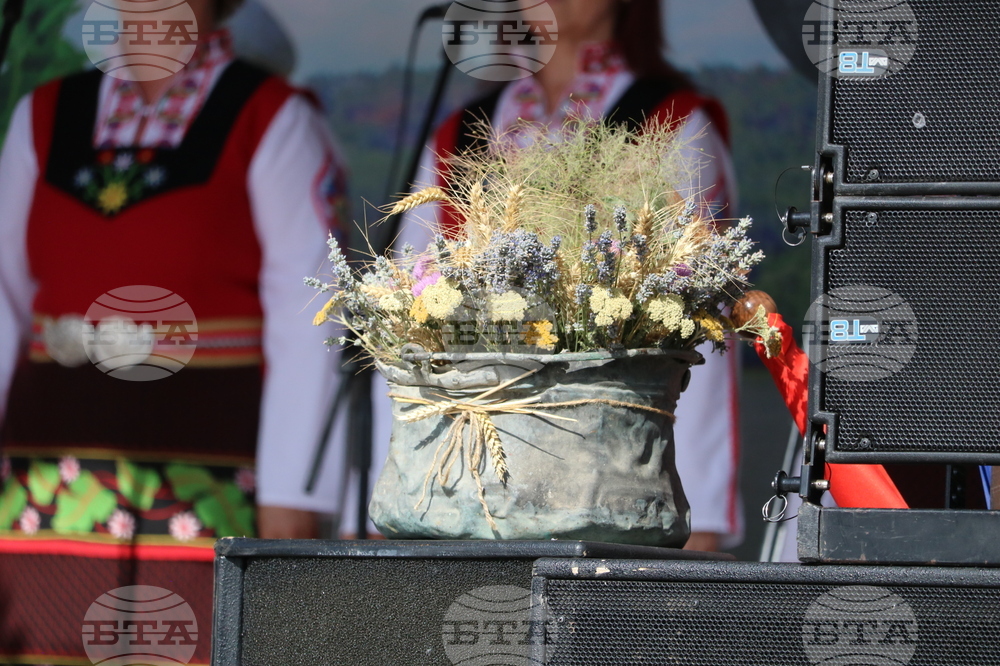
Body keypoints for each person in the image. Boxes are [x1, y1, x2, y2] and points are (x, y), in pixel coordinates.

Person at [0, 0, 347, 662]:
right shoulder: (43, 118)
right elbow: (2, 302)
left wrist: (292, 499)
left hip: (210, 476)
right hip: (45, 484)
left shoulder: (270, 118)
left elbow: (311, 317)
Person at [357, 0, 742, 550]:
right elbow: (405, 324)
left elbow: (701, 320)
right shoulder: (462, 129)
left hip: (613, 483)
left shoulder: (671, 118)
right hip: (466, 481)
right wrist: (393, 484)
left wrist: (701, 509)